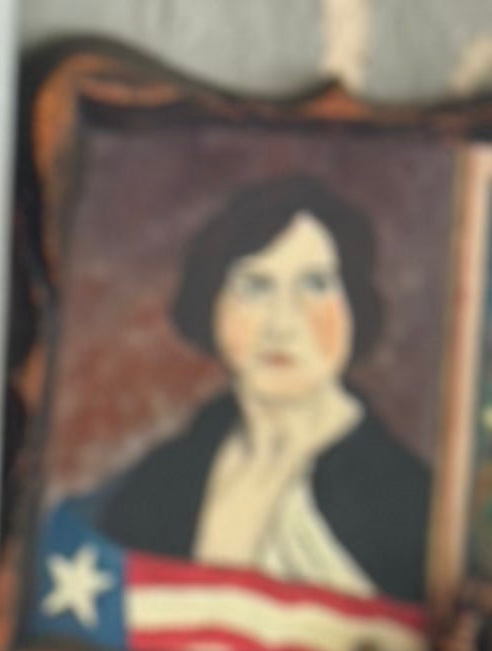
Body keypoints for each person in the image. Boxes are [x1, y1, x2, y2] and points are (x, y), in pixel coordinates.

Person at [86, 173, 433, 614]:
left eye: (315, 286)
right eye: (254, 287)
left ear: (356, 306)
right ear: (211, 306)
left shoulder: (409, 500)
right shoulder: (165, 480)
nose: (282, 324)